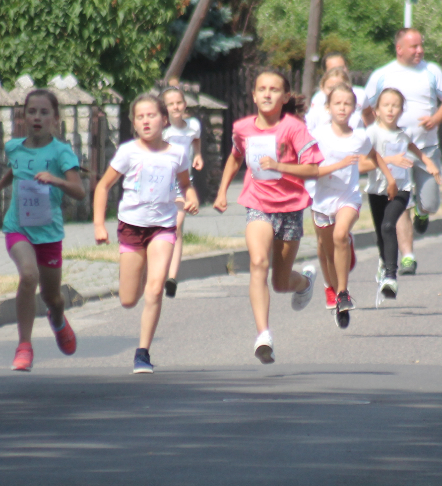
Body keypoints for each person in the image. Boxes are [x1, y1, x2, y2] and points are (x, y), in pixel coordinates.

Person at [213, 69, 323, 364]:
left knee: (281, 283)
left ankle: (305, 282)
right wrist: (223, 190)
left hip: (291, 207)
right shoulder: (243, 128)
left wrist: (280, 166)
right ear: (254, 95)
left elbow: (313, 168)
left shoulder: (294, 128)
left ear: (285, 96)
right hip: (258, 203)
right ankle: (264, 334)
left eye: (274, 89)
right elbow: (237, 155)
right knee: (258, 262)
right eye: (261, 89)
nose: (267, 94)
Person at [93, 94, 199, 373]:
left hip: (163, 227)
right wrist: (98, 225)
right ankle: (139, 273)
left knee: (154, 289)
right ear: (134, 124)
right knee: (128, 299)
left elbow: (186, 184)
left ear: (164, 120)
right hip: (131, 226)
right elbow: (103, 186)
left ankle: (143, 353)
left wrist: (191, 197)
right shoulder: (128, 152)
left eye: (151, 115)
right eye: (140, 117)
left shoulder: (177, 153)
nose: (146, 121)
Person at [0, 90, 85, 372]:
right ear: (23, 116)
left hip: (49, 234)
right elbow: (14, 172)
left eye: (43, 112)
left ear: (55, 118)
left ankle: (58, 319)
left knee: (53, 297)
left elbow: (79, 190)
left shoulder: (61, 152)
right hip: (18, 228)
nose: (37, 117)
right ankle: (24, 346)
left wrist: (56, 180)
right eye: (32, 112)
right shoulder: (14, 147)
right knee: (29, 275)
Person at [365, 28, 442, 272]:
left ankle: (423, 211)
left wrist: (435, 118)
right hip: (396, 153)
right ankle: (408, 256)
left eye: (421, 46)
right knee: (399, 201)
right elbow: (366, 107)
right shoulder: (383, 75)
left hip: (426, 147)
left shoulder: (432, 71)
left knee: (430, 202)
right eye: (414, 46)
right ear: (400, 49)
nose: (420, 50)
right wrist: (374, 132)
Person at [360, 88, 440, 302]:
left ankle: (390, 277)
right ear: (376, 110)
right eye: (386, 105)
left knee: (389, 226)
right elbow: (360, 164)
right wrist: (390, 160)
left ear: (401, 110)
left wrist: (428, 161)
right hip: (378, 191)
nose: (390, 109)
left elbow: (412, 146)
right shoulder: (371, 134)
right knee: (381, 234)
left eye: (395, 105)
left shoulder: (403, 134)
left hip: (402, 190)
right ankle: (384, 261)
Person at [309, 83, 373, 329]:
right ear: (328, 107)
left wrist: (389, 179)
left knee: (339, 234)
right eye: (337, 103)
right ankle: (338, 297)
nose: (343, 108)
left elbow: (373, 157)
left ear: (355, 107)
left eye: (348, 103)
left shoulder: (360, 135)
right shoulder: (318, 135)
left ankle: (344, 292)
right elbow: (308, 167)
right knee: (327, 253)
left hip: (349, 197)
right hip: (322, 199)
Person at [160, 86, 203, 298]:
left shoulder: (192, 126)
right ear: (164, 108)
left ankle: (172, 277)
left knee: (176, 228)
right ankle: (159, 267)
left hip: (183, 182)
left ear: (184, 104)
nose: (176, 107)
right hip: (161, 183)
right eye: (171, 104)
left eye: (179, 102)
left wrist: (198, 155)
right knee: (163, 228)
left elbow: (195, 140)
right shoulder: (163, 130)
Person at [309, 52, 370, 126]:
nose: (338, 72)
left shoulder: (360, 94)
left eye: (341, 68)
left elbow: (368, 113)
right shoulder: (319, 98)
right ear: (325, 73)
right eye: (333, 69)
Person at [306, 67, 366, 132]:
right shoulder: (315, 115)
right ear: (322, 88)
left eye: (339, 87)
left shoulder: (354, 118)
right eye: (330, 88)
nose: (334, 91)